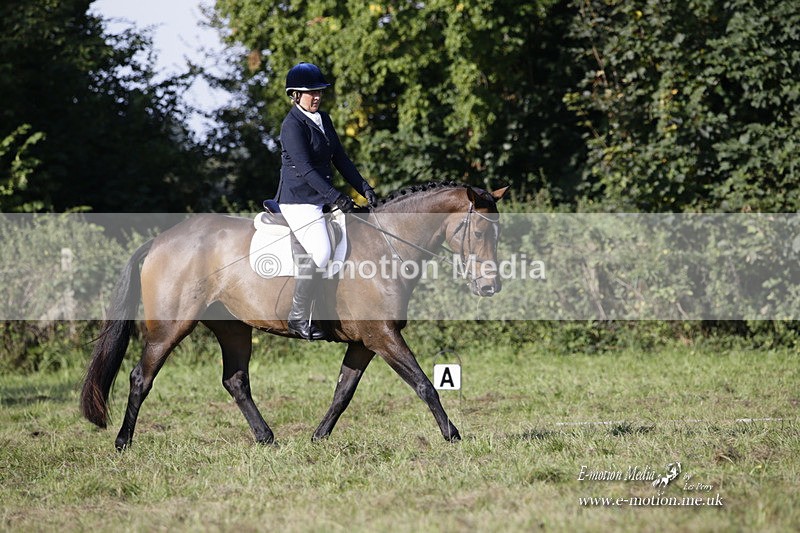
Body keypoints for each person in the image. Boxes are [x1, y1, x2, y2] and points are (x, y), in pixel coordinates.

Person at [275, 62, 378, 340]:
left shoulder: (324, 119)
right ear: (295, 95)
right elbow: (306, 170)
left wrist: (363, 187)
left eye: (319, 91)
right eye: (311, 93)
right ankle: (297, 317)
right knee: (320, 252)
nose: (317, 97)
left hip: (320, 199)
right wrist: (337, 197)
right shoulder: (292, 126)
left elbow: (340, 159)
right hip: (298, 202)